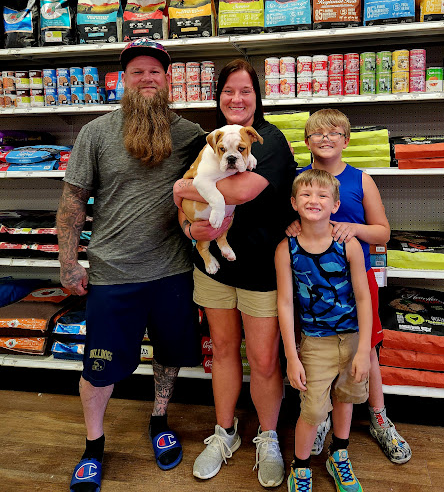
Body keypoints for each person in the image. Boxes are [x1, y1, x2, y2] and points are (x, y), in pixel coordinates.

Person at [57, 38, 212, 492]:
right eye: (137, 71)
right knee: (98, 366)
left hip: (173, 271)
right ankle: (93, 445)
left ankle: (159, 419)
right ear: (124, 80)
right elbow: (72, 200)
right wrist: (68, 262)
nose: (147, 78)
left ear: (168, 79)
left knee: (169, 354)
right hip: (112, 274)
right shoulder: (96, 133)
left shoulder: (190, 134)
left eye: (155, 71)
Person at [173, 58, 297, 488]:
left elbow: (240, 190)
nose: (237, 99)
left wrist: (186, 187)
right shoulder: (207, 141)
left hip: (262, 265)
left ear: (258, 96)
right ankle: (224, 432)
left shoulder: (270, 140)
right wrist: (189, 226)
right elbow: (179, 201)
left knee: (263, 359)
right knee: (223, 350)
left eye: (246, 90)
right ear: (218, 96)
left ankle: (268, 437)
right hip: (213, 267)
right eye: (228, 91)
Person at [287, 108, 412, 464]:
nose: (326, 138)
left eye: (334, 132)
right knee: (317, 349)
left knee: (365, 348)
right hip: (313, 283)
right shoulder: (300, 181)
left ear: (346, 140)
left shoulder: (361, 179)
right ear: (306, 141)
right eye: (318, 132)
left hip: (356, 280)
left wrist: (353, 228)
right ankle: (321, 417)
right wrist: (291, 227)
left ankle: (379, 417)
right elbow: (289, 222)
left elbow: (383, 232)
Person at [276, 168, 372, 492]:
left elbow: (363, 298)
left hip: (352, 338)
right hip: (315, 342)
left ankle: (338, 454)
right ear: (294, 203)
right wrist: (292, 356)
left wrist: (363, 350)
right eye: (305, 194)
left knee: (346, 398)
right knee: (313, 409)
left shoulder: (348, 245)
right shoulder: (286, 249)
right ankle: (300, 467)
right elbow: (285, 304)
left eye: (322, 195)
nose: (313, 200)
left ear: (335, 204)